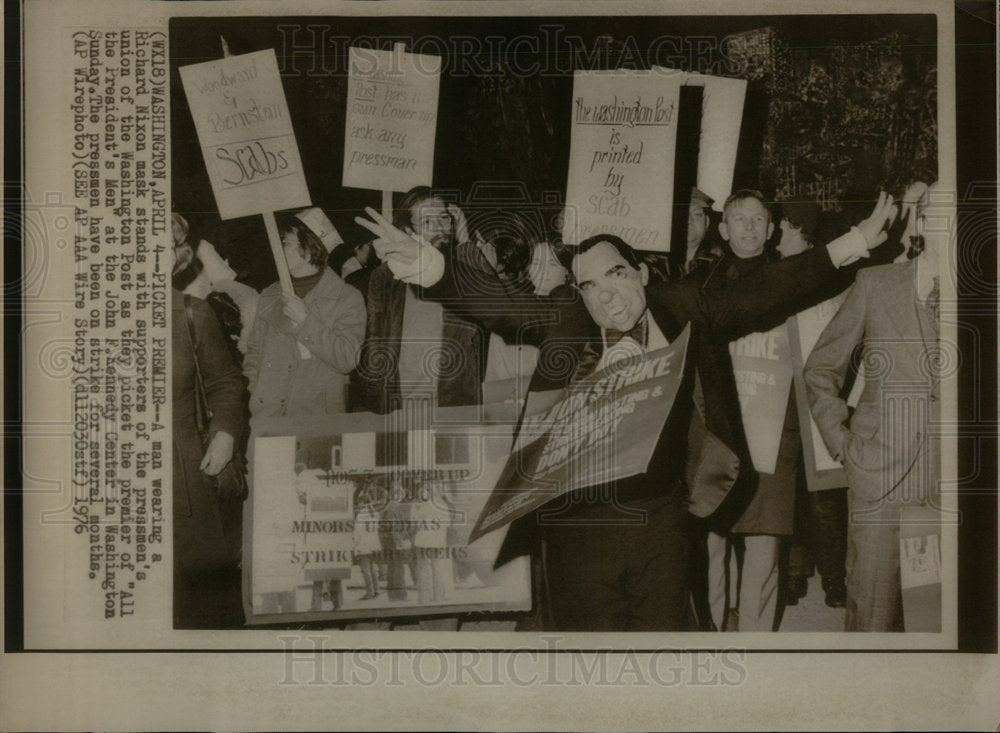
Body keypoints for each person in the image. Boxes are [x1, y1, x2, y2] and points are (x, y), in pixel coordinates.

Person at [354, 193, 897, 631]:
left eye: (614, 274)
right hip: (579, 526)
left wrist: (853, 242)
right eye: (588, 285)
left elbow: (769, 288)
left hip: (661, 519)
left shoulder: (685, 307)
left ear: (639, 271)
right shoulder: (569, 322)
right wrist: (431, 266)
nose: (604, 296)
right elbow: (502, 305)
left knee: (665, 654)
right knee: (591, 670)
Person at [804, 183, 943, 632]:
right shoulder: (877, 284)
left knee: (932, 622)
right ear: (921, 221)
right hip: (881, 481)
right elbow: (820, 368)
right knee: (872, 620)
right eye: (942, 212)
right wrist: (842, 442)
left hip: (949, 490)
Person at [353, 186, 491, 414]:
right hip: (398, 407)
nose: (439, 228)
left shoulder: (461, 271)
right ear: (407, 230)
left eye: (444, 218)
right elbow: (375, 341)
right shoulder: (386, 277)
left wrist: (465, 241)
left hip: (453, 404)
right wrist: (374, 401)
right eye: (427, 222)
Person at [778, 200, 849, 610]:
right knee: (790, 493)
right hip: (781, 397)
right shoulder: (770, 275)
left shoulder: (826, 276)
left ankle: (834, 577)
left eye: (785, 229)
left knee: (825, 494)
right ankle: (794, 573)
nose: (777, 236)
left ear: (802, 232)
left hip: (817, 394)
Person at [243, 207, 365, 421]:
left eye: (286, 242)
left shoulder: (347, 298)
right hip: (268, 417)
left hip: (316, 420)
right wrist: (257, 393)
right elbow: (254, 354)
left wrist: (306, 321)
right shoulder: (270, 293)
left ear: (309, 248)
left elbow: (347, 358)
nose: (277, 249)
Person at [171, 286, 245, 629]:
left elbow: (226, 382)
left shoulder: (191, 312)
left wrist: (225, 434)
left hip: (183, 467)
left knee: (201, 605)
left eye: (169, 243)